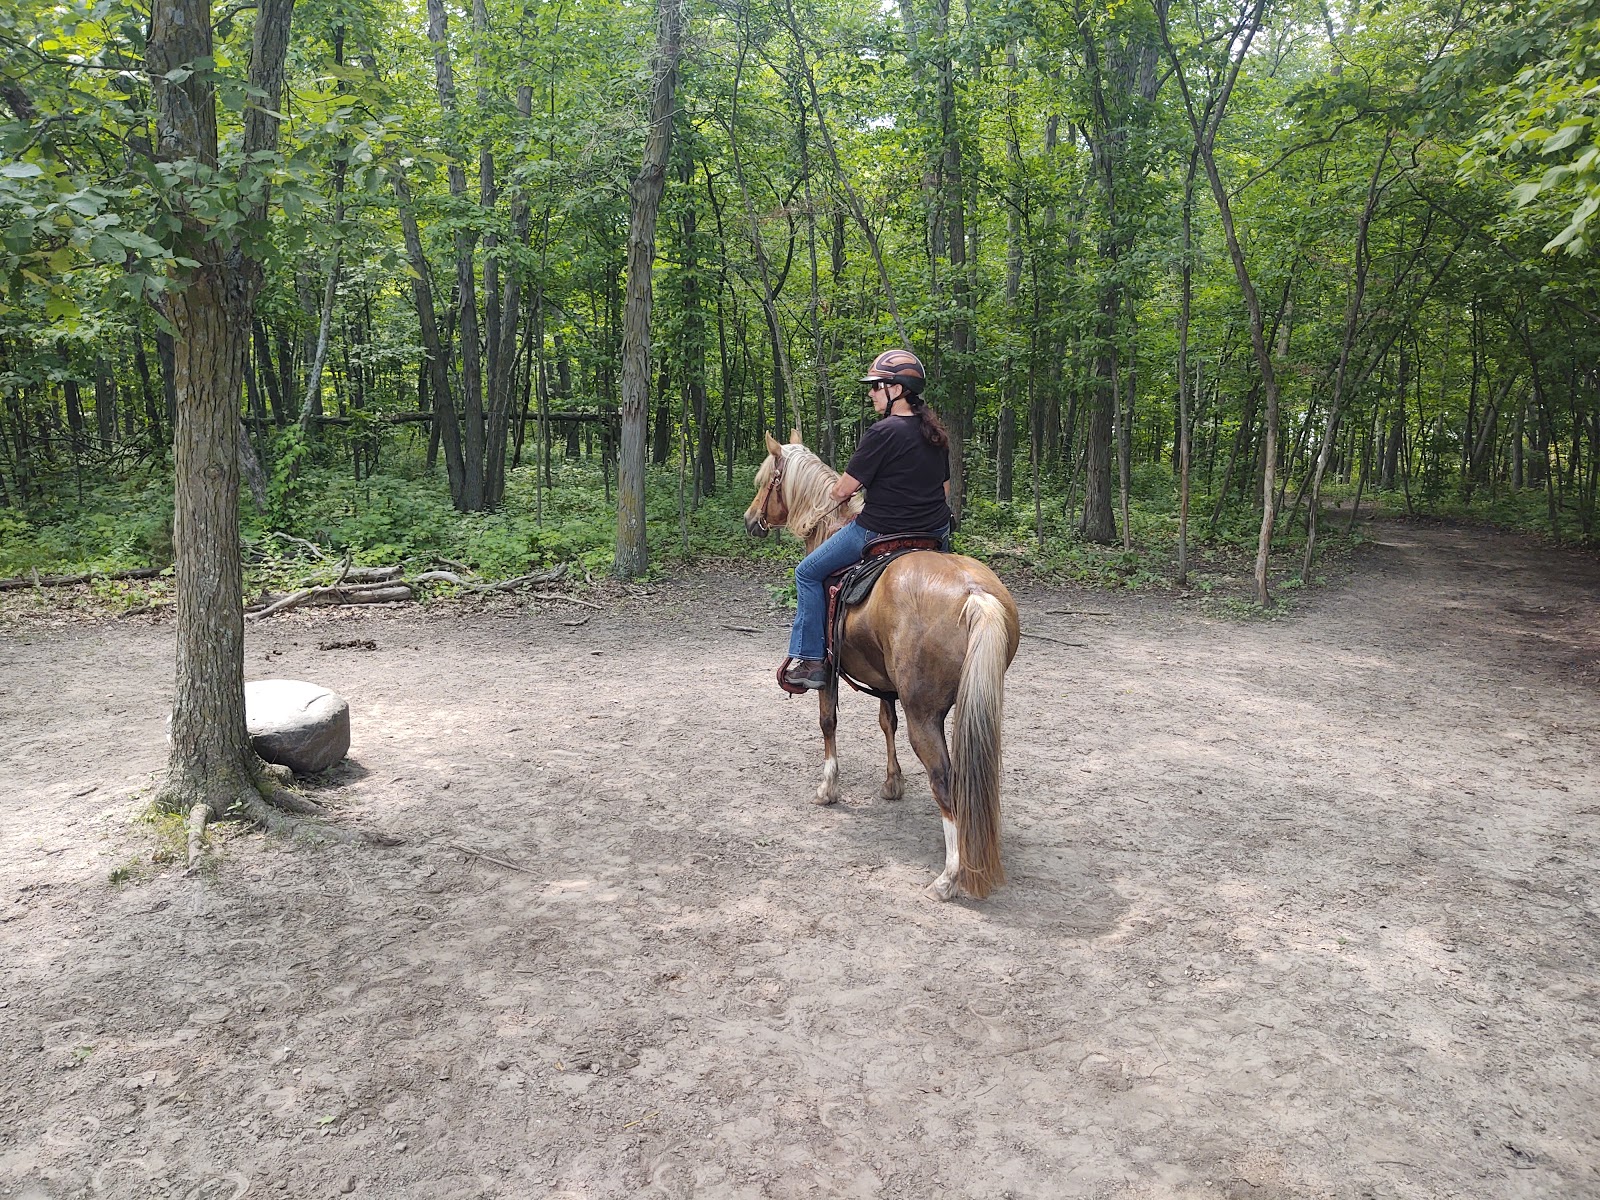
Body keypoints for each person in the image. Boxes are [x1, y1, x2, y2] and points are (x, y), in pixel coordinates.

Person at [782, 348, 952, 690]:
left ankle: (811, 659)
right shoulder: (934, 433)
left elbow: (843, 490)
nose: (871, 393)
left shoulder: (882, 432)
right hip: (934, 532)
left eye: (877, 386)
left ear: (897, 389)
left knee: (807, 572)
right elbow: (945, 491)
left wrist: (838, 494)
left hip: (881, 531)